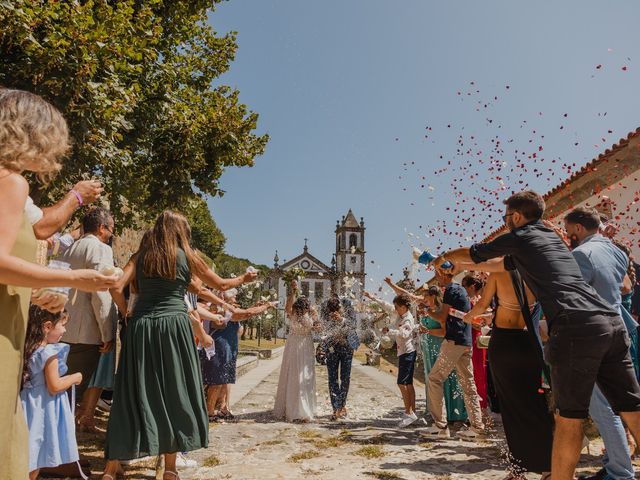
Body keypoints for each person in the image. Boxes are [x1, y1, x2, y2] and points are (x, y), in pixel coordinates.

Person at [435, 190, 640, 480]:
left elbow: (474, 252)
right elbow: (498, 264)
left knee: (569, 420)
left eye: (507, 218)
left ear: (517, 216)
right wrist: (464, 265)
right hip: (609, 322)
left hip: (575, 327)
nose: (506, 224)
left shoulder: (520, 236)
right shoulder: (551, 240)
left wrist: (445, 259)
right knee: (632, 408)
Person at [0, 88, 117, 479]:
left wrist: (33, 291)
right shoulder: (11, 181)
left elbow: (30, 236)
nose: (52, 153)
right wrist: (76, 280)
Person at [102, 211, 259, 480]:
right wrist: (244, 280)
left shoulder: (141, 256)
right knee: (175, 390)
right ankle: (170, 468)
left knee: (131, 391)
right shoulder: (186, 256)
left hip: (141, 327)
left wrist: (126, 312)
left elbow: (116, 285)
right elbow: (220, 284)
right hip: (174, 326)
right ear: (180, 232)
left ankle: (111, 467)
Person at [564, 207, 636, 480]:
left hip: (594, 335)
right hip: (619, 328)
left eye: (569, 230)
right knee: (622, 403)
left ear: (579, 229)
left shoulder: (581, 254)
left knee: (602, 407)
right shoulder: (616, 251)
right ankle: (614, 463)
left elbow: (574, 298)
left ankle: (620, 471)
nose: (569, 236)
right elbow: (625, 287)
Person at [463, 271, 553, 479]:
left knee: (511, 409)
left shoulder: (499, 275)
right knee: (536, 405)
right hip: (530, 345)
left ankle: (518, 469)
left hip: (504, 346)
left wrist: (469, 316)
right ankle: (548, 469)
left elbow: (482, 305)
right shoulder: (539, 274)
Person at [61, 207, 118, 416]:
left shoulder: (70, 248)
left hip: (64, 328)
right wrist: (107, 333)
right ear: (102, 228)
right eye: (111, 229)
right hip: (85, 333)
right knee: (73, 393)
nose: (112, 234)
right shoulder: (101, 249)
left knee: (62, 390)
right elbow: (100, 294)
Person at [21, 306, 83, 480]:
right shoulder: (49, 353)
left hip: (28, 403)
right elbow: (54, 386)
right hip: (42, 407)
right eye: (62, 325)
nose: (64, 330)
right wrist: (74, 377)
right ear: (47, 326)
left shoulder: (28, 348)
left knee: (28, 452)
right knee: (35, 457)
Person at [423, 269, 485, 438]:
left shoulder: (451, 290)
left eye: (437, 275)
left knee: (435, 378)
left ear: (445, 274)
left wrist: (428, 311)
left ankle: (440, 426)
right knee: (468, 383)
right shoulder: (461, 291)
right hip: (465, 341)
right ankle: (476, 427)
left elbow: (442, 317)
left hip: (454, 341)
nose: (436, 279)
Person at [201, 289, 274, 423]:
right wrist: (266, 306)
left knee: (224, 379)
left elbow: (245, 314)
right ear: (225, 297)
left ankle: (222, 408)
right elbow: (247, 313)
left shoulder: (229, 309)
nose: (236, 299)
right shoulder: (221, 310)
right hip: (219, 347)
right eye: (234, 297)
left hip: (228, 347)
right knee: (216, 381)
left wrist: (257, 306)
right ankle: (209, 412)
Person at [365, 288, 419, 428]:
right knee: (408, 383)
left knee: (402, 383)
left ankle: (409, 413)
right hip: (404, 352)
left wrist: (390, 331)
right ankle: (412, 411)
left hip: (408, 352)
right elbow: (386, 305)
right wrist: (372, 297)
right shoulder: (400, 314)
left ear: (403, 307)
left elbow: (405, 334)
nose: (394, 309)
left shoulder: (407, 318)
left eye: (396, 307)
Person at [418, 286, 468, 422]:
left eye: (425, 296)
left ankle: (450, 413)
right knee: (431, 378)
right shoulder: (428, 311)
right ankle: (434, 410)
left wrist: (427, 331)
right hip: (428, 348)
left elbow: (444, 332)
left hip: (439, 347)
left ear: (433, 296)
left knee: (442, 378)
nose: (423, 299)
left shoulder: (440, 312)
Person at [274, 280, 320, 422]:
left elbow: (317, 326)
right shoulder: (306, 313)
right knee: (301, 374)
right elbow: (317, 326)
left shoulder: (292, 313)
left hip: (296, 344)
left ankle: (293, 407)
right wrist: (293, 291)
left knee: (295, 373)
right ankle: (302, 408)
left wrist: (293, 291)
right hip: (303, 344)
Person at [322, 295, 359, 420]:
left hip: (347, 348)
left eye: (335, 310)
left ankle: (342, 405)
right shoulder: (325, 306)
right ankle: (335, 408)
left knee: (345, 378)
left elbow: (353, 324)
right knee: (332, 378)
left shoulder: (347, 304)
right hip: (332, 349)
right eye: (330, 311)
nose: (333, 312)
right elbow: (323, 326)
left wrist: (342, 319)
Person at [461, 275, 489, 414]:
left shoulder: (476, 300)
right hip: (470, 337)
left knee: (477, 373)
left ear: (472, 287)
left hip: (475, 338)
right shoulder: (474, 299)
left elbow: (480, 322)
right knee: (471, 373)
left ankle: (480, 407)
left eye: (464, 286)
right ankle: (474, 408)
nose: (462, 289)